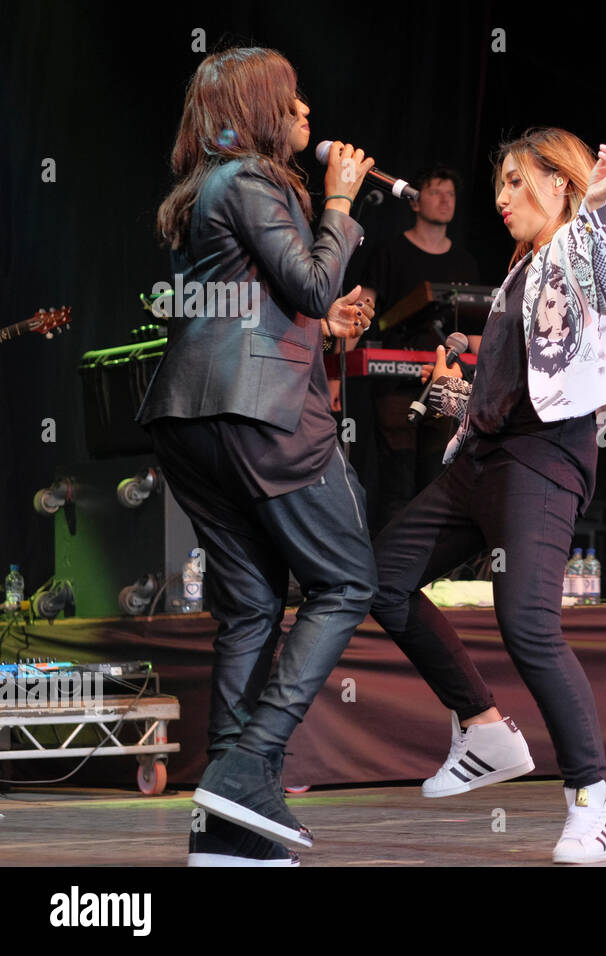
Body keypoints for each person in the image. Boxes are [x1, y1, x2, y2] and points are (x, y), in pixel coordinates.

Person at [367, 128, 606, 863]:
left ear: (560, 183)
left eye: (517, 182)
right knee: (381, 581)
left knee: (529, 625)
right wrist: (457, 387)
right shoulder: (520, 270)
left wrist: (602, 210)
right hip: (480, 460)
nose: (501, 198)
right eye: (501, 185)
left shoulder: (579, 247)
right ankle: (483, 727)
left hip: (542, 461)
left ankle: (595, 801)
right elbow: (510, 385)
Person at [138, 47, 378, 865]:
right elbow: (311, 283)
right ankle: (246, 766)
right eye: (294, 99)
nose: (308, 112)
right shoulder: (250, 179)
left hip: (189, 417)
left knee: (247, 607)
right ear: (261, 107)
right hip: (256, 415)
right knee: (346, 579)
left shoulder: (202, 191)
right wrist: (340, 203)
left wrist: (322, 325)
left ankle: (227, 826)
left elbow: (263, 302)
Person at [355, 166, 483, 529]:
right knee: (396, 484)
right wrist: (334, 371)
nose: (445, 199)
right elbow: (361, 311)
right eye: (435, 191)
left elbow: (473, 334)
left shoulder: (464, 262)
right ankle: (390, 577)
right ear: (414, 201)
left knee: (434, 481)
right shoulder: (391, 252)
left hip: (446, 385)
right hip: (396, 384)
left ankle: (429, 578)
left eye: (450, 193)